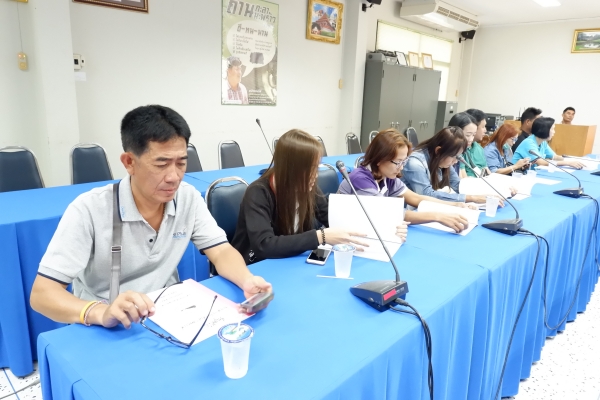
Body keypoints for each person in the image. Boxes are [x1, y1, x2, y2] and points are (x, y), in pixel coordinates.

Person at [30, 105, 272, 329]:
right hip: (108, 323)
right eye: (161, 164)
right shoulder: (90, 209)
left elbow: (220, 251)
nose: (173, 177)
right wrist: (100, 312)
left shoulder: (187, 197)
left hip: (168, 314)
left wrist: (246, 280)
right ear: (129, 162)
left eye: (181, 163)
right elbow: (42, 294)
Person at [232, 129, 372, 265]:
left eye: (316, 168)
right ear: (290, 169)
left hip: (289, 261)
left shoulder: (306, 187)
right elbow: (264, 246)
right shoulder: (258, 193)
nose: (315, 175)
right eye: (310, 169)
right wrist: (320, 236)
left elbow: (330, 217)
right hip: (256, 267)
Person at [338, 129, 476, 233]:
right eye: (398, 162)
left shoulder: (387, 176)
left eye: (404, 161)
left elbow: (416, 198)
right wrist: (437, 216)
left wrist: (455, 205)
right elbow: (390, 213)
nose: (401, 167)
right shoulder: (361, 179)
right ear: (379, 158)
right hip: (347, 233)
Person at [401, 127, 501, 205]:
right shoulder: (415, 162)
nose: (455, 161)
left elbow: (458, 185)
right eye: (453, 156)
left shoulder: (442, 159)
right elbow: (426, 194)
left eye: (458, 157)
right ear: (438, 151)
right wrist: (471, 198)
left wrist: (487, 194)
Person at [512, 117, 585, 169]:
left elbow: (554, 157)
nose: (554, 132)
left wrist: (571, 160)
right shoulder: (529, 143)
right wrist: (568, 163)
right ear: (544, 130)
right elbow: (540, 162)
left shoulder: (542, 142)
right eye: (552, 129)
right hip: (517, 174)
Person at [452, 111, 490, 178]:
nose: (471, 139)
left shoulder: (479, 148)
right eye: (468, 135)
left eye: (473, 135)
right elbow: (461, 179)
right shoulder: (456, 150)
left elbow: (487, 171)